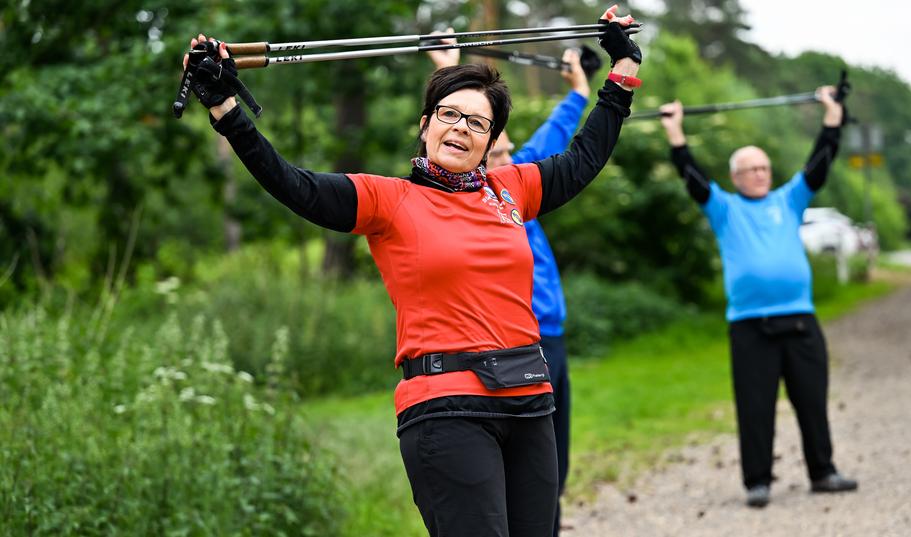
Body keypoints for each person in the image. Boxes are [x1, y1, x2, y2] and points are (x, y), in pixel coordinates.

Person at [184, 5, 641, 535]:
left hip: (529, 400)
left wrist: (623, 70)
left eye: (477, 123)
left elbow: (585, 157)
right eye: (449, 114)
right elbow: (294, 185)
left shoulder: (511, 190)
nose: (461, 128)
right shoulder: (389, 201)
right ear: (425, 125)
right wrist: (225, 108)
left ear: (490, 142)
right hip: (447, 410)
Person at [659, 88, 859, 508]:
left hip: (800, 321)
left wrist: (833, 116)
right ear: (736, 177)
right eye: (751, 169)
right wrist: (675, 131)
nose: (760, 174)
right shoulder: (724, 208)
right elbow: (693, 177)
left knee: (812, 402)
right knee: (755, 406)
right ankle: (758, 481)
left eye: (764, 167)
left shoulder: (790, 199)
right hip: (751, 326)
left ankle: (823, 472)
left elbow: (820, 164)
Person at [427, 37, 590, 537]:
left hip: (551, 337)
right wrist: (450, 69)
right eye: (499, 151)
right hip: (510, 348)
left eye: (509, 148)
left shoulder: (518, 182)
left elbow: (556, 134)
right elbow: (443, 135)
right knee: (507, 477)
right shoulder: (471, 188)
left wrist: (580, 92)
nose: (510, 156)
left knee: (552, 466)